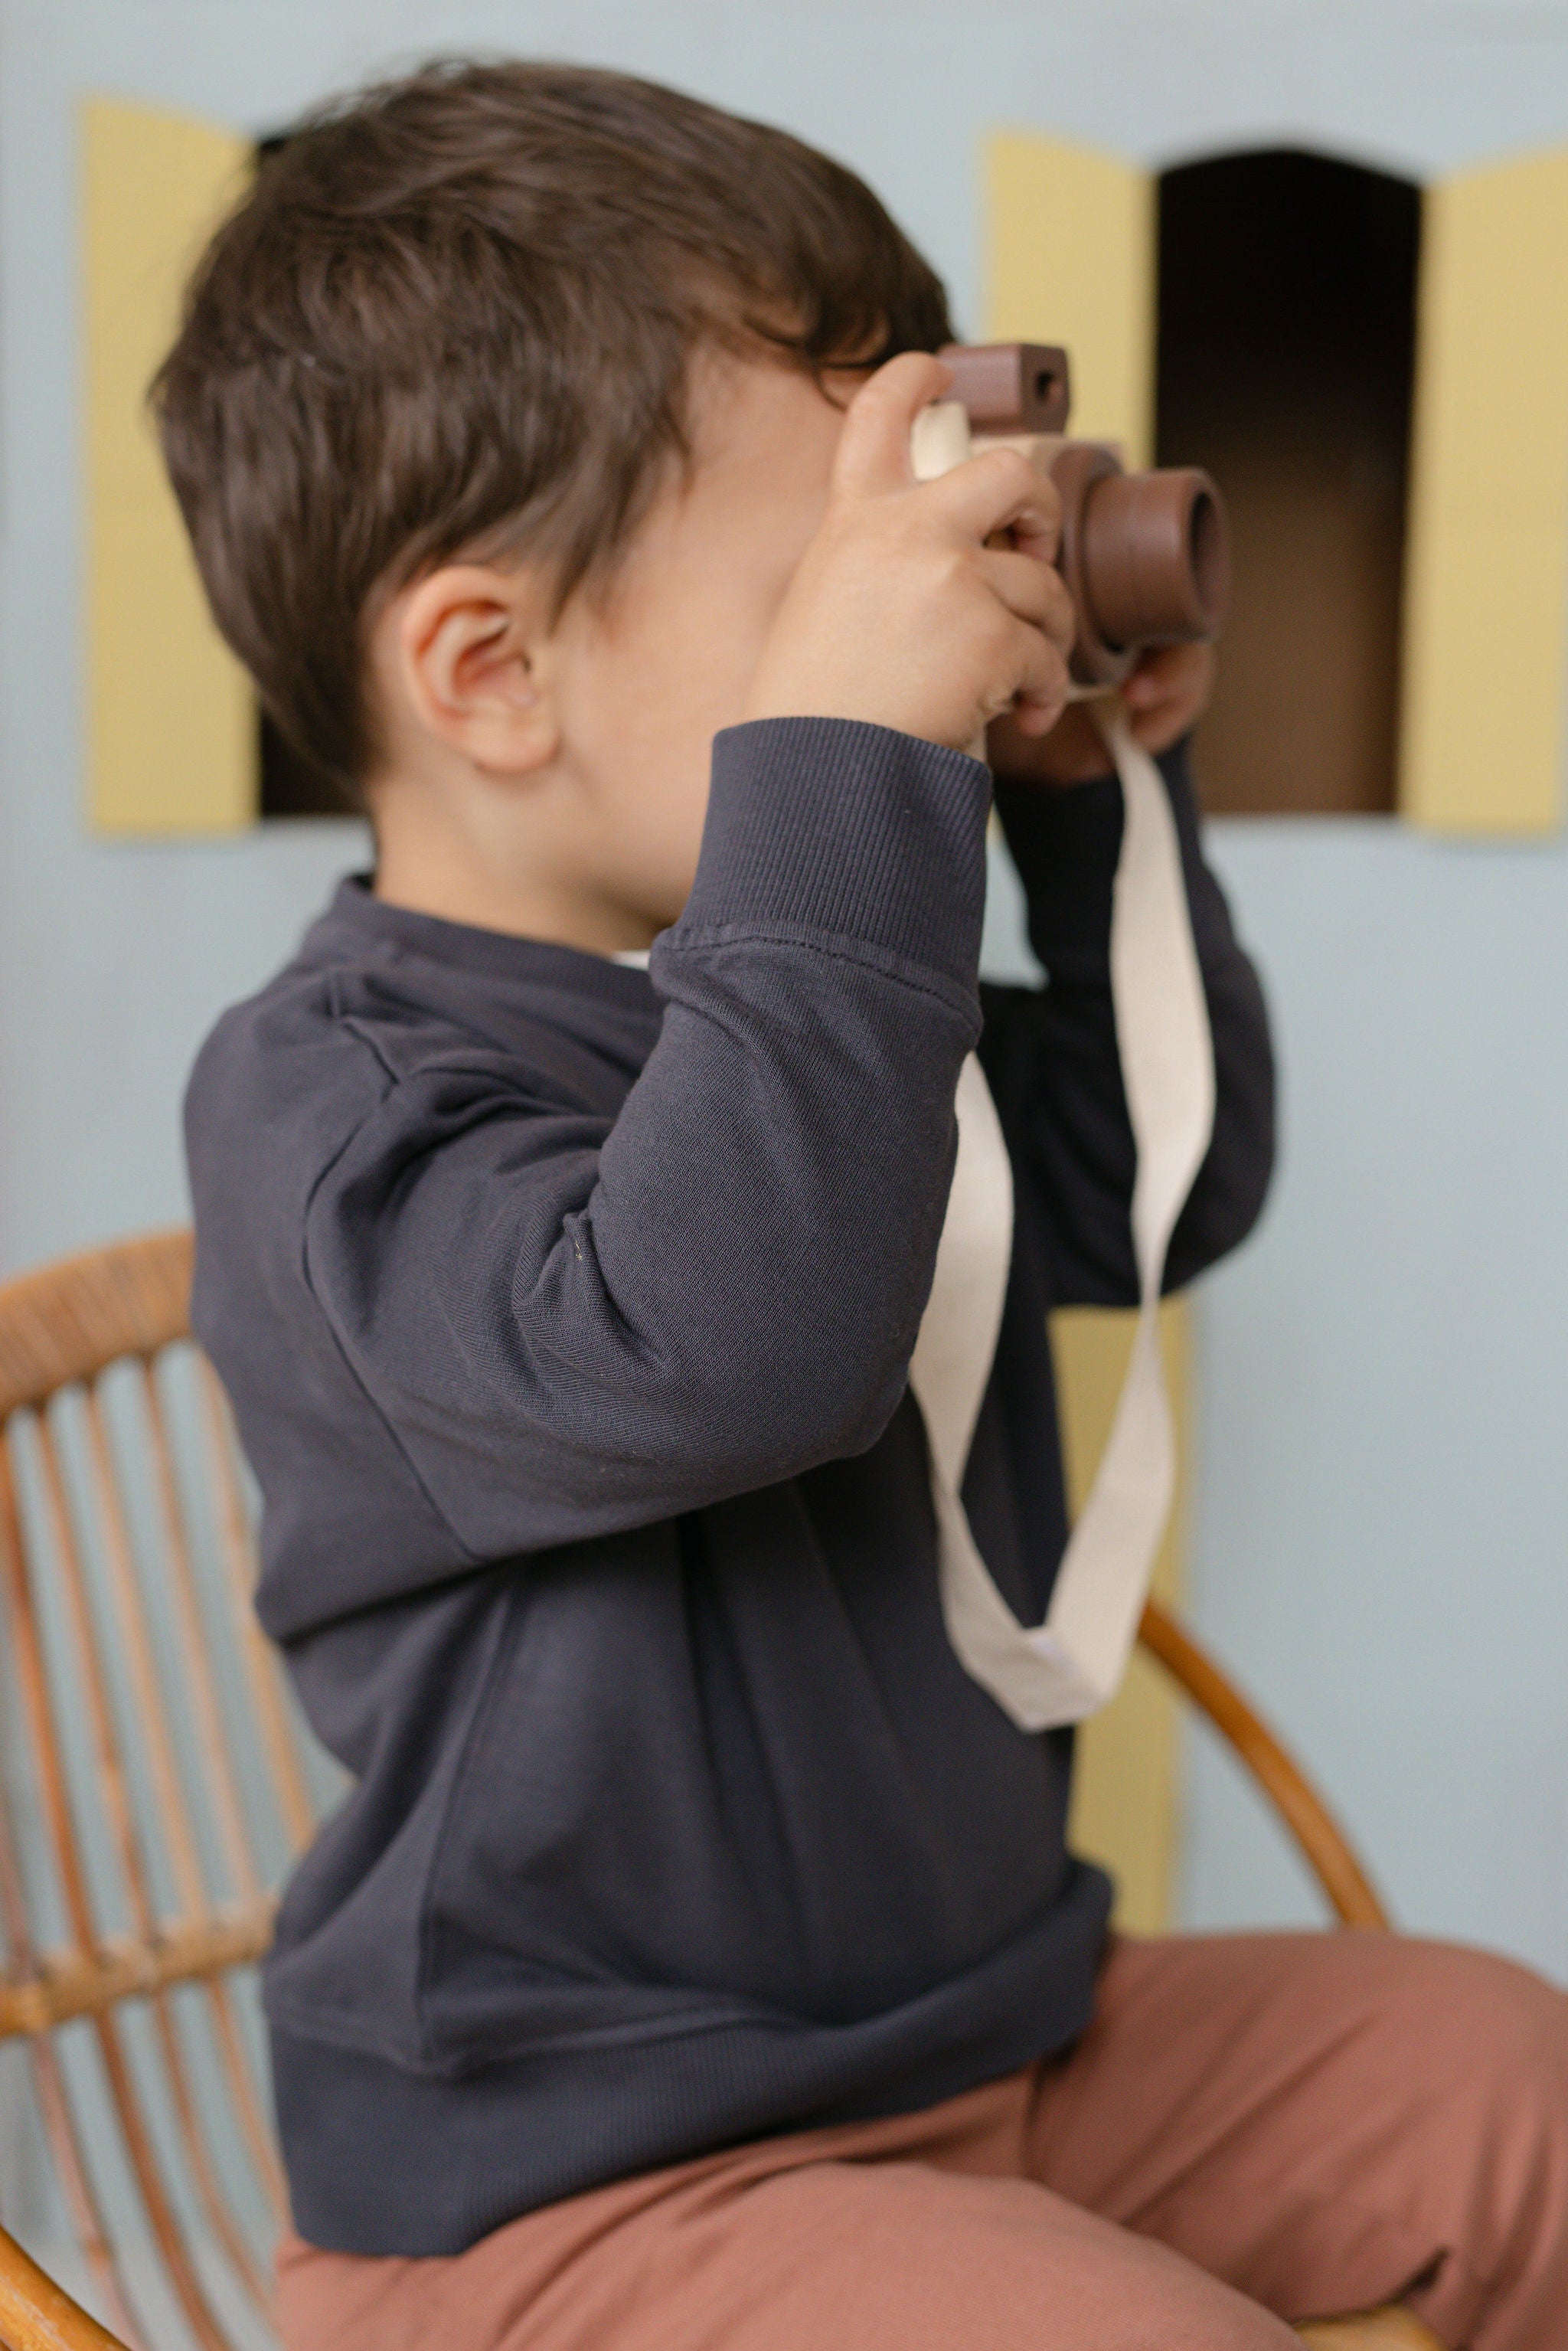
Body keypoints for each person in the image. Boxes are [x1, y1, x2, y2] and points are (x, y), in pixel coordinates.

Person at [158, 59, 1568, 2351]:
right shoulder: (331, 1105)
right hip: (590, 2186)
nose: (932, 610)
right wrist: (853, 774)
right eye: (842, 570)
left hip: (996, 2037)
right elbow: (720, 1338)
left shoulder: (815, 1003)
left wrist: (1083, 794)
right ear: (492, 673)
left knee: (1518, 2087)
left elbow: (1139, 1194)